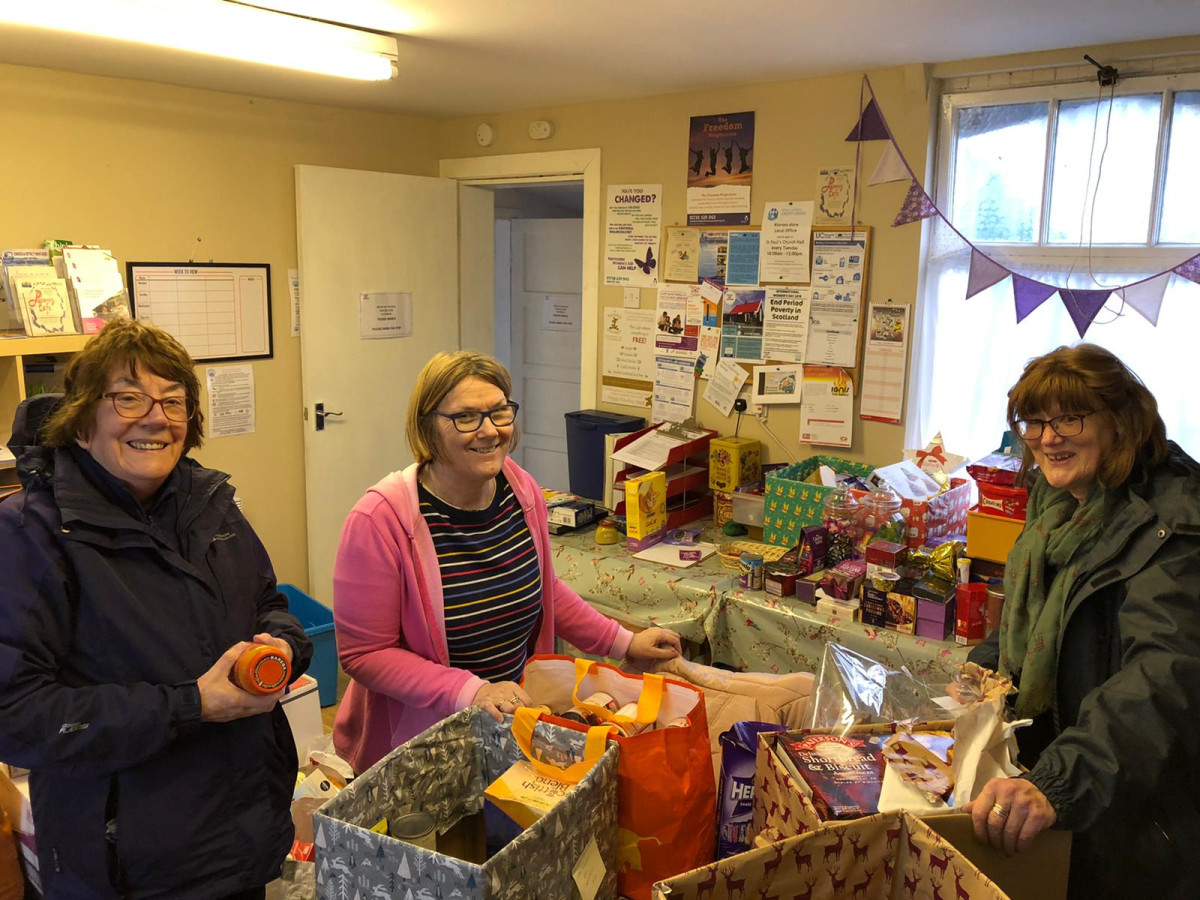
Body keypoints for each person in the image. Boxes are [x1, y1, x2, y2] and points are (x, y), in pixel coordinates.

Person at [0, 319, 312, 900]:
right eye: (129, 398)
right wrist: (191, 706)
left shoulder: (211, 506)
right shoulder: (29, 535)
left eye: (173, 401)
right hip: (131, 867)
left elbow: (269, 604)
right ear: (82, 419)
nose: (156, 418)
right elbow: (14, 716)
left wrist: (283, 646)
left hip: (242, 833)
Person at [332, 350, 683, 773]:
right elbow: (366, 654)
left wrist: (622, 642)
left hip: (506, 725)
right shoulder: (380, 521)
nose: (489, 430)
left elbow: (542, 589)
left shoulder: (521, 490)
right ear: (428, 427)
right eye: (466, 417)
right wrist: (471, 691)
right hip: (419, 745)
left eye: (499, 412)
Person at [965, 344, 1200, 898]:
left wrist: (1063, 780)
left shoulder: (1175, 524)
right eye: (1034, 421)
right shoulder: (1058, 504)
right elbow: (1036, 619)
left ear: (1121, 421)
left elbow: (1161, 678)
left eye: (1069, 418)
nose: (1048, 438)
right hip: (1070, 790)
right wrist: (982, 672)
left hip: (1136, 817)